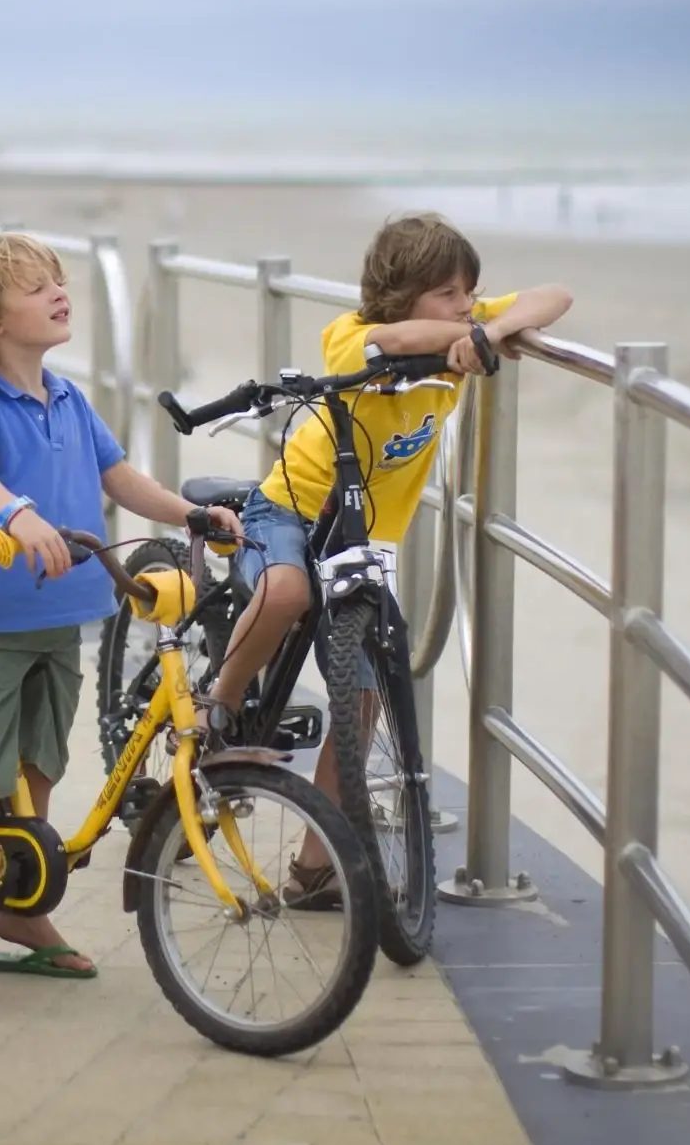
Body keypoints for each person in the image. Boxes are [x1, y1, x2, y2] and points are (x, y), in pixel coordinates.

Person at [0, 233, 241, 1012]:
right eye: (34, 286)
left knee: (39, 766)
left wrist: (191, 513)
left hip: (63, 619)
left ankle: (22, 909)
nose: (59, 292)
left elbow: (117, 475)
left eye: (58, 280)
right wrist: (15, 511)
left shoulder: (69, 398)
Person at [200, 212, 571, 907]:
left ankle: (315, 869)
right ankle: (216, 707)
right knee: (286, 595)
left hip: (362, 542)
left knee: (362, 704)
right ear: (402, 294)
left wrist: (486, 330)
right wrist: (470, 336)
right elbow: (392, 341)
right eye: (449, 294)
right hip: (287, 511)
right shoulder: (352, 337)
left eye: (472, 293)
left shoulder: (468, 329)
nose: (466, 306)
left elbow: (554, 296)